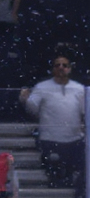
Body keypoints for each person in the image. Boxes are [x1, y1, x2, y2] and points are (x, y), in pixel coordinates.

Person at [22, 53, 86, 191]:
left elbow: (85, 111)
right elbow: (32, 108)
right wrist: (25, 99)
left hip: (74, 139)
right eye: (58, 65)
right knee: (55, 174)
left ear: (69, 69)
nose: (61, 67)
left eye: (64, 65)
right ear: (53, 69)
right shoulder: (41, 87)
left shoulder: (79, 88)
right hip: (50, 139)